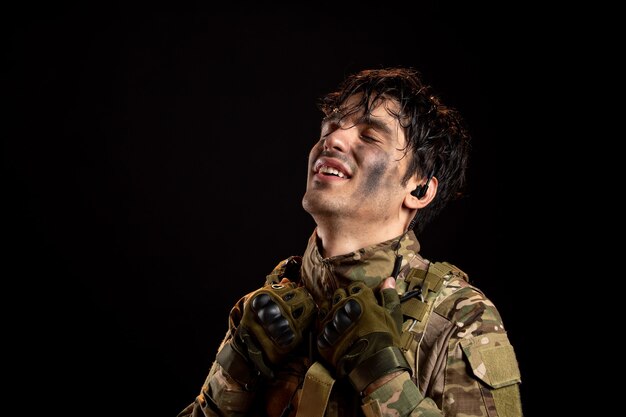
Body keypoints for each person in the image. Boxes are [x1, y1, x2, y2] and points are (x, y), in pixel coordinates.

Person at [177, 67, 523, 417]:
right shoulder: (272, 299)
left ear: (419, 189)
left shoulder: (460, 317)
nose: (333, 138)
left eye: (370, 136)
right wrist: (237, 369)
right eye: (332, 124)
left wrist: (383, 377)